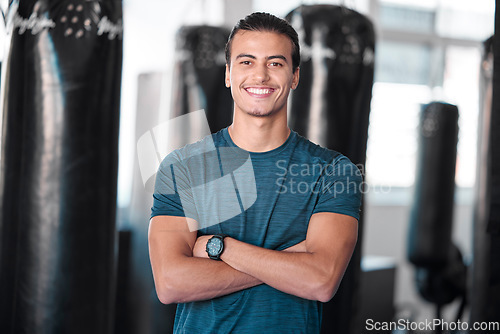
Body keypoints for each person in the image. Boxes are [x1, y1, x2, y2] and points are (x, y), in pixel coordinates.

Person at [148, 12, 362, 334]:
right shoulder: (183, 167)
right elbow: (170, 283)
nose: (260, 76)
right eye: (246, 62)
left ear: (295, 76)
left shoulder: (334, 172)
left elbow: (320, 281)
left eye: (275, 63)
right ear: (228, 74)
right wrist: (289, 261)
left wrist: (219, 248)